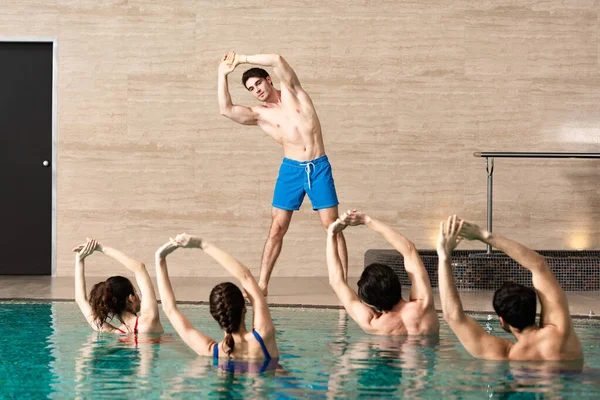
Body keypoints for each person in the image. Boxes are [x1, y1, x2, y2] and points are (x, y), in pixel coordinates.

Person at [218, 50, 348, 296]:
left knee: (333, 226)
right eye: (251, 88)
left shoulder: (294, 91)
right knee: (277, 227)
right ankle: (263, 284)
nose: (256, 90)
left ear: (269, 79)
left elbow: (277, 59)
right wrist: (222, 74)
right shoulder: (260, 115)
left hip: (318, 166)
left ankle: (342, 285)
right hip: (291, 170)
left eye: (258, 83)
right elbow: (226, 109)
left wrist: (242, 59)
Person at [436, 215, 584, 362]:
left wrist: (444, 257)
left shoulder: (506, 355)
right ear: (534, 309)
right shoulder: (561, 332)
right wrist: (484, 235)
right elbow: (539, 265)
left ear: (502, 321)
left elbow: (453, 316)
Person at [154, 233, 279, 372]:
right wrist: (201, 244)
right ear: (244, 306)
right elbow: (246, 276)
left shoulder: (210, 351)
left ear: (214, 315)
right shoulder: (263, 336)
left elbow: (169, 309)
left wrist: (160, 258)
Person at [326, 210, 439, 335]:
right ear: (396, 282)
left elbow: (336, 282)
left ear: (370, 303)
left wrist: (331, 234)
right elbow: (409, 250)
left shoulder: (373, 324)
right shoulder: (424, 305)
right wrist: (367, 220)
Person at [73, 238, 163, 334]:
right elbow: (139, 267)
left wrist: (79, 259)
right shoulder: (149, 320)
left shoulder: (112, 331)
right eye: (135, 292)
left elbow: (80, 299)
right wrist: (102, 248)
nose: (138, 296)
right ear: (131, 298)